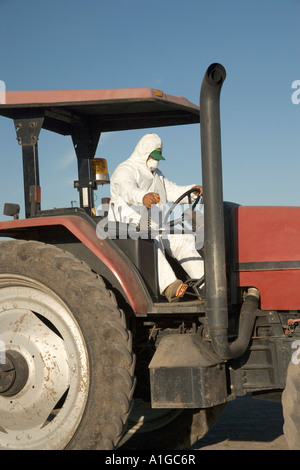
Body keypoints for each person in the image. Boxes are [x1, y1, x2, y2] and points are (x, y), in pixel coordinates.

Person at [108, 133, 204, 302]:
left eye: (158, 157)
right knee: (153, 241)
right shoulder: (126, 169)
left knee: (183, 239)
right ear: (144, 153)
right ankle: (169, 286)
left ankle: (206, 284)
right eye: (153, 157)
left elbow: (172, 191)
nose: (156, 161)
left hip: (157, 223)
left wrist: (192, 191)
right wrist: (143, 197)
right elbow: (126, 189)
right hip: (130, 225)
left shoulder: (157, 174)